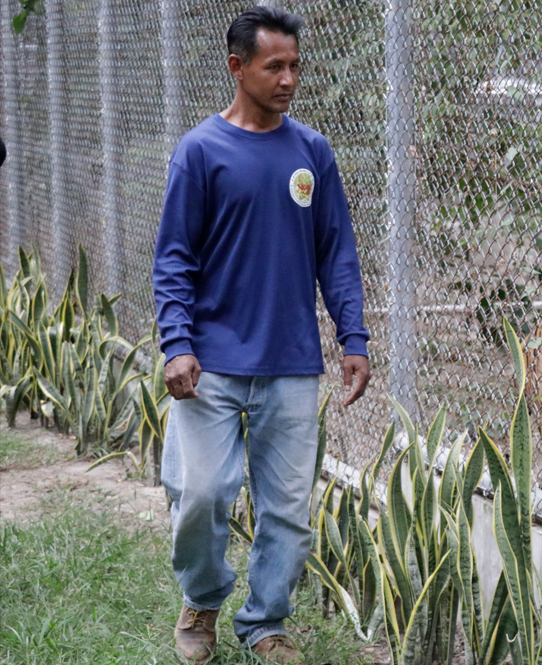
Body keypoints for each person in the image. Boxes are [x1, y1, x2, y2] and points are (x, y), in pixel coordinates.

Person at [152, 7, 371, 663]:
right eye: (274, 65)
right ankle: (203, 598)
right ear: (236, 67)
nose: (288, 78)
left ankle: (265, 622)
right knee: (205, 493)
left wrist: (352, 337)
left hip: (292, 364)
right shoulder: (200, 152)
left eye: (295, 65)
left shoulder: (312, 153)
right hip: (211, 361)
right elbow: (173, 258)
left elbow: (337, 253)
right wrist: (176, 341)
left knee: (287, 512)